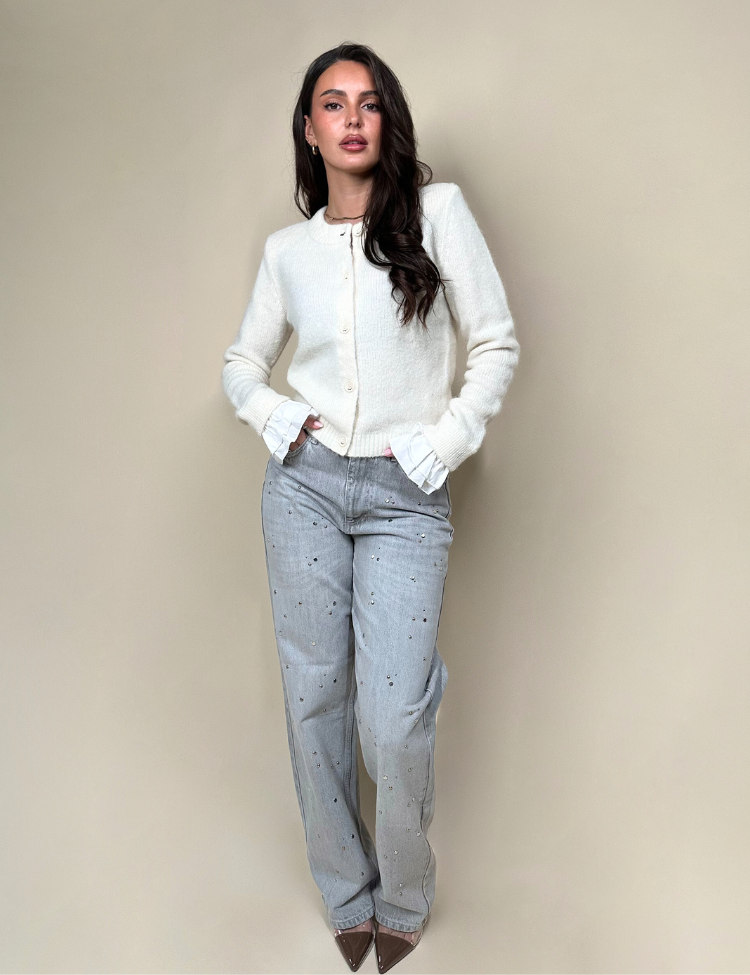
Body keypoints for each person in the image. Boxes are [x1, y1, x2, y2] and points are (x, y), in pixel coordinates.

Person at [222, 42, 520, 974]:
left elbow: (496, 342)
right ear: (310, 131)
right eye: (332, 103)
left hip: (406, 497)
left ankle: (404, 896)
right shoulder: (288, 253)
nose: (352, 118)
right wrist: (282, 420)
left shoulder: (439, 213)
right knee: (315, 698)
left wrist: (443, 443)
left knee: (393, 716)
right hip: (304, 489)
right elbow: (240, 366)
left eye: (368, 102)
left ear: (387, 120)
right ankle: (346, 895)